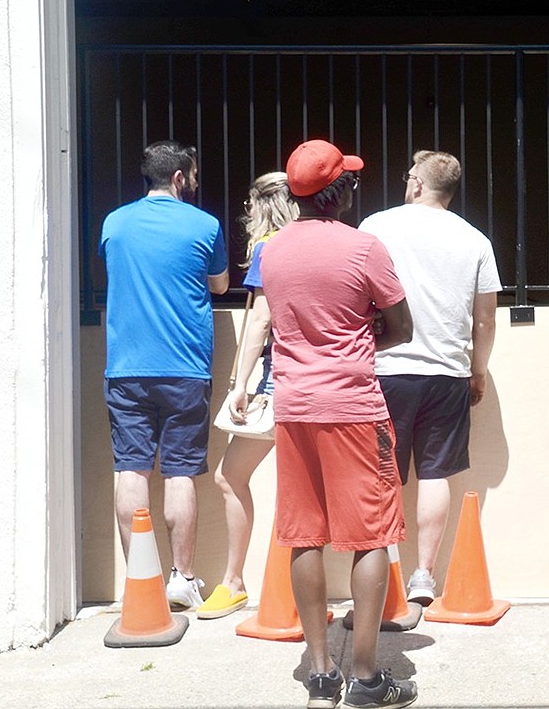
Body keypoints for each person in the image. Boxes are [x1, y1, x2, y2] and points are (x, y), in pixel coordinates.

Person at [259, 139, 418, 709]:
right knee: (370, 535)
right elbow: (402, 326)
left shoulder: (270, 252)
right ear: (341, 192)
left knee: (305, 534)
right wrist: (363, 334)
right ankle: (368, 677)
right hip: (353, 407)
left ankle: (322, 669)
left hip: (294, 406)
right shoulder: (364, 248)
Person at [358, 150, 501, 606]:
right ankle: (424, 575)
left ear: (418, 183)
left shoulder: (377, 226)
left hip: (386, 369)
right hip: (447, 371)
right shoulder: (474, 240)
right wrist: (477, 370)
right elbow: (485, 320)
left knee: (384, 475)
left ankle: (388, 572)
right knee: (435, 473)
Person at [99, 139, 229, 611]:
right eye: (192, 175)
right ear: (180, 177)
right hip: (184, 369)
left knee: (130, 468)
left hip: (126, 367)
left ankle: (141, 580)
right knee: (179, 473)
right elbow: (219, 284)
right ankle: (183, 578)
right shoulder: (205, 225)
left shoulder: (114, 222)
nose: (194, 182)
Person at [198, 172, 298, 620]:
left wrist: (239, 385)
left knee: (229, 476)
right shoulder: (333, 239)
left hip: (281, 381)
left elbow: (260, 320)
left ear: (260, 209)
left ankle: (235, 581)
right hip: (331, 382)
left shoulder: (269, 248)